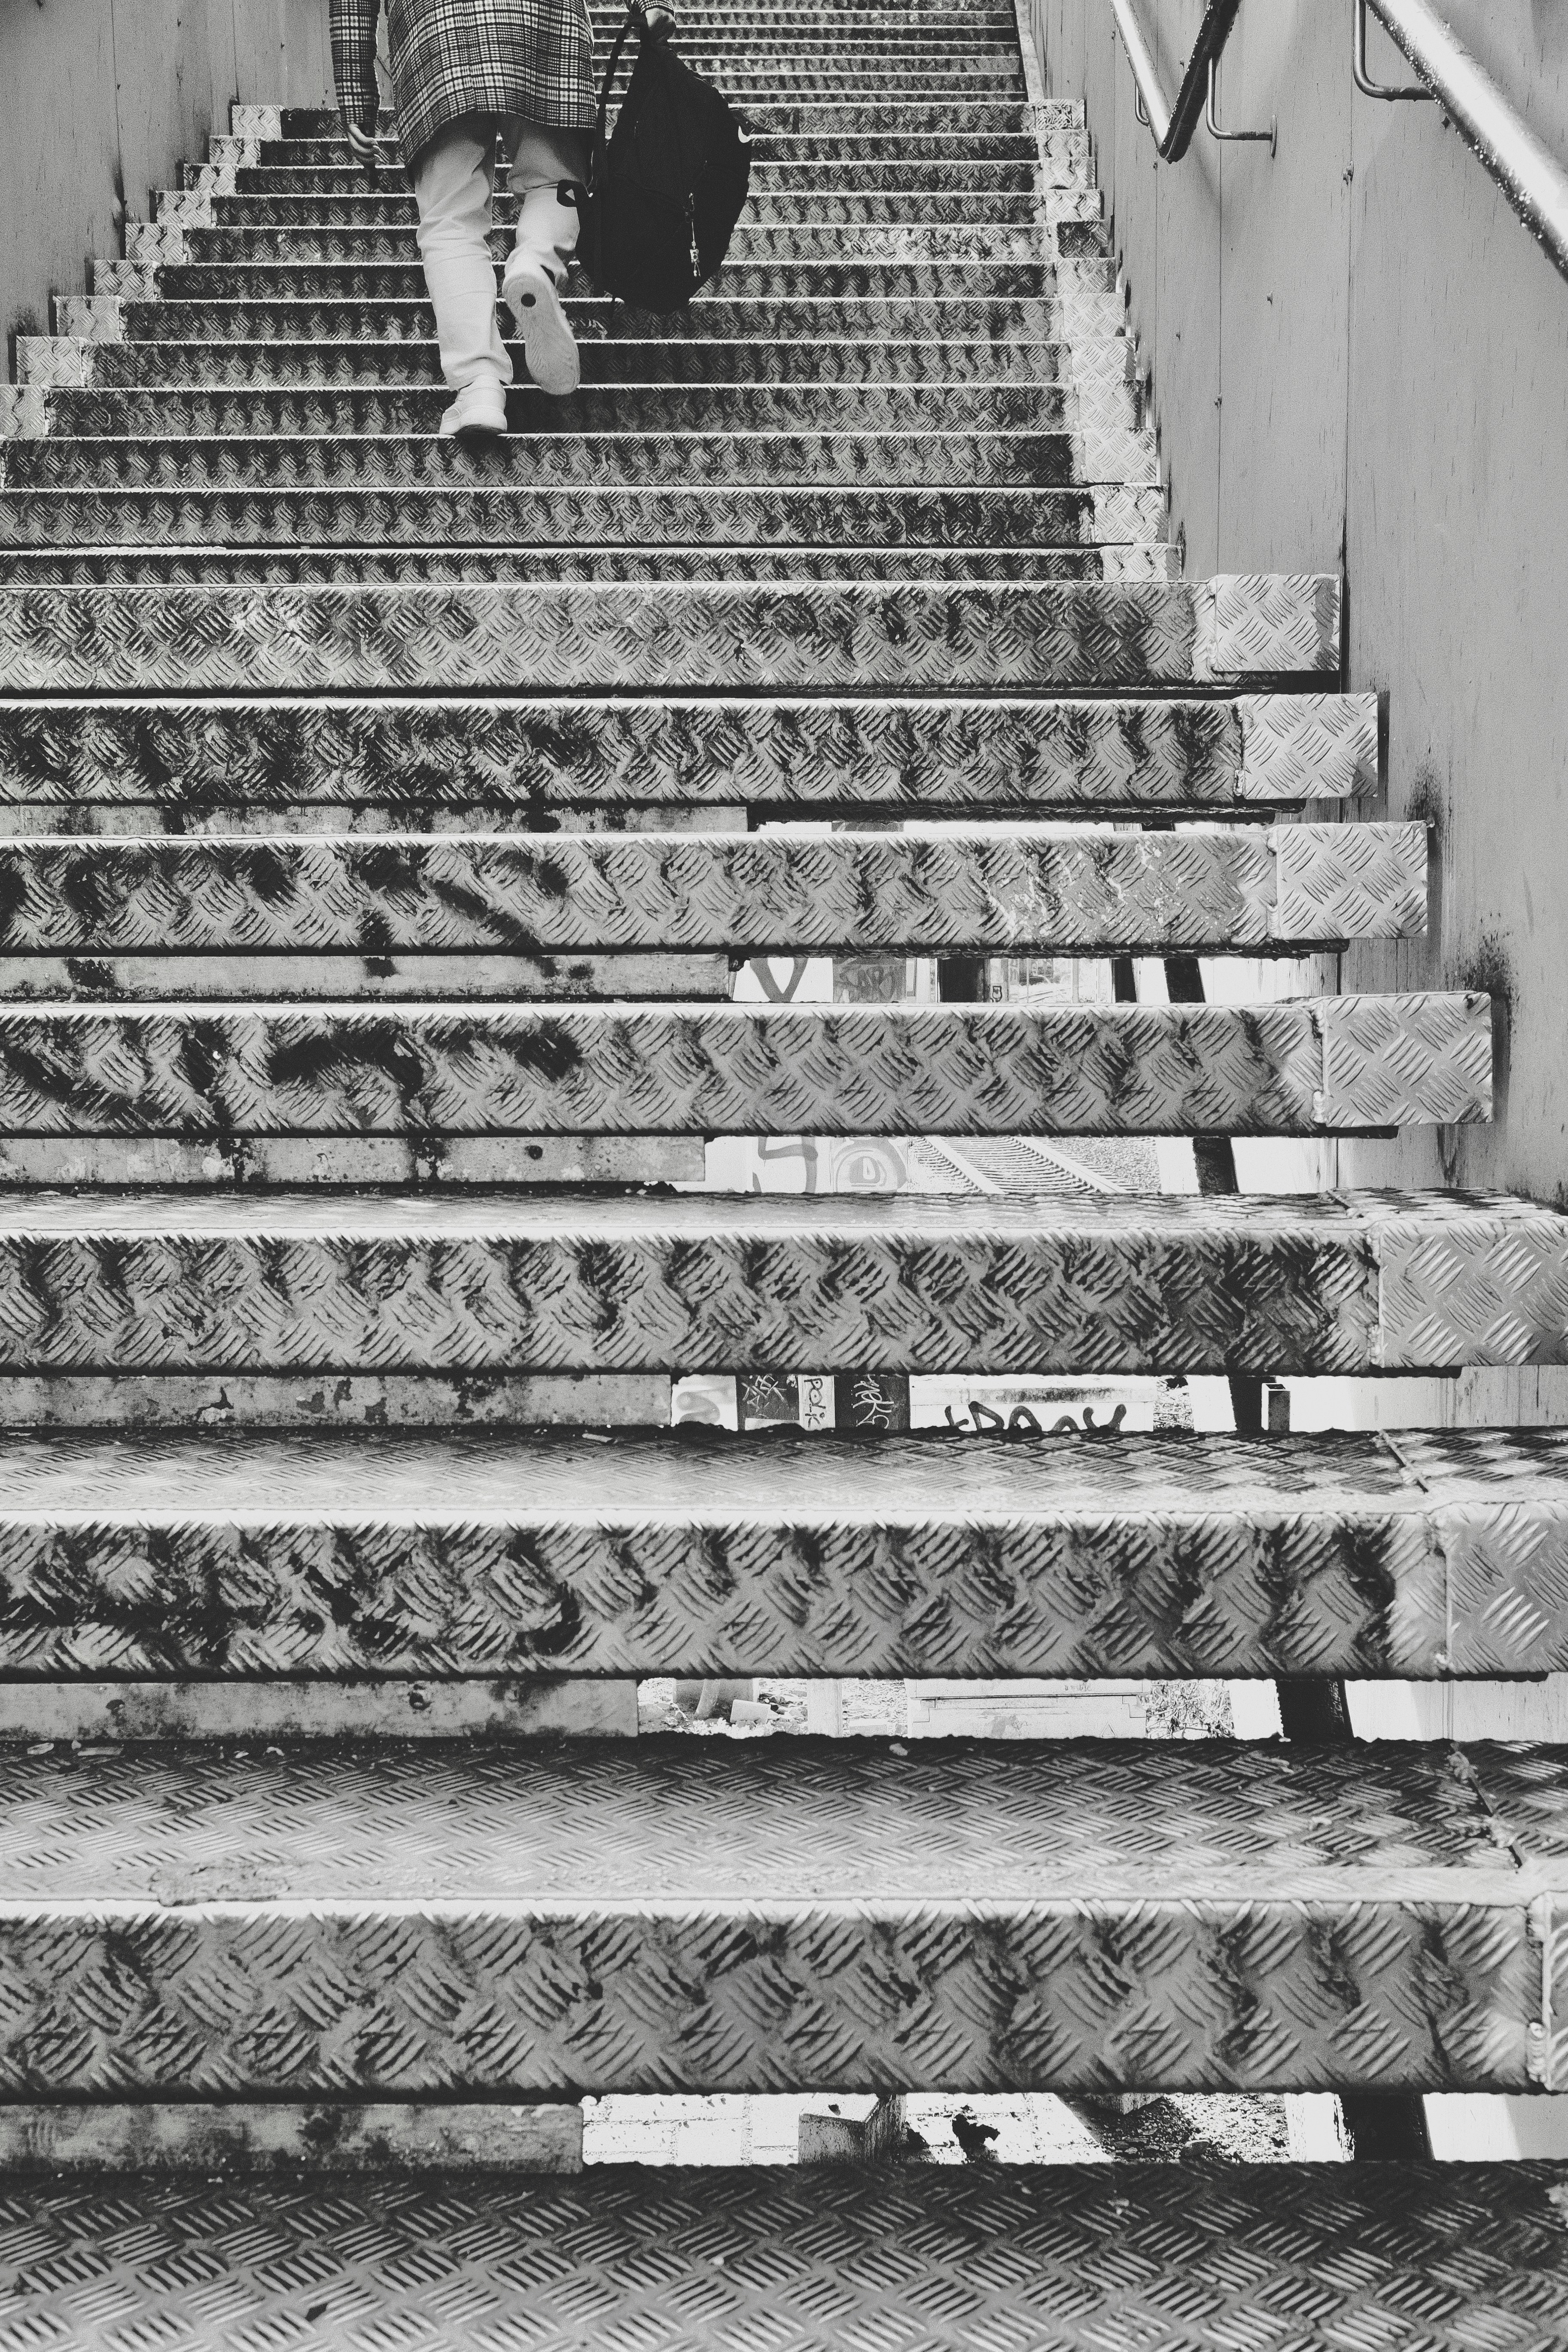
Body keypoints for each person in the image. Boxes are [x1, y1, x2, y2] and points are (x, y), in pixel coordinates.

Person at [330, 0, 672, 440]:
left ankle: (479, 387)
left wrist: (357, 100)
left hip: (435, 27)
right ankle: (535, 262)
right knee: (556, 182)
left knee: (451, 217)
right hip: (542, 17)